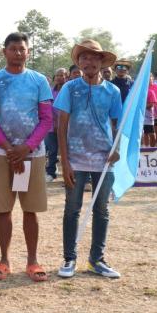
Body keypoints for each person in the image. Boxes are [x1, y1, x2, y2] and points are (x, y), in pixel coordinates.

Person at [0, 32, 52, 283]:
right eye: (13, 49)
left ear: (28, 52)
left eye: (22, 49)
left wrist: (26, 148)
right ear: (4, 52)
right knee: (4, 209)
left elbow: (47, 119)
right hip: (2, 154)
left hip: (33, 154)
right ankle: (4, 260)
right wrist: (10, 149)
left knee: (30, 210)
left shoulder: (39, 80)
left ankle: (32, 261)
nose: (18, 53)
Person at [53, 40, 123, 280]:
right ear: (78, 62)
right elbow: (61, 126)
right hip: (76, 160)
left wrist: (117, 149)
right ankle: (69, 258)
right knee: (72, 209)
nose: (89, 62)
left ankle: (97, 260)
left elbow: (117, 124)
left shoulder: (112, 91)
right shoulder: (70, 88)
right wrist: (65, 162)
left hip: (104, 160)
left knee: (101, 210)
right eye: (84, 57)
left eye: (94, 57)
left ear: (102, 62)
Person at [45, 68, 68, 182]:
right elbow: (47, 108)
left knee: (67, 151)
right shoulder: (49, 91)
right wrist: (54, 124)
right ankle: (51, 173)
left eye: (61, 75)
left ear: (66, 77)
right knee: (52, 151)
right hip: (51, 127)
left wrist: (60, 124)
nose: (59, 77)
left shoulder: (68, 91)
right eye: (57, 75)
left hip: (66, 127)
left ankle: (68, 173)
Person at [143, 73, 157, 148]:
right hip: (141, 116)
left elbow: (151, 105)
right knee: (145, 133)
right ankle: (146, 147)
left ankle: (153, 148)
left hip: (148, 117)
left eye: (149, 79)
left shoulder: (150, 92)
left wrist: (142, 107)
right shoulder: (140, 92)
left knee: (151, 133)